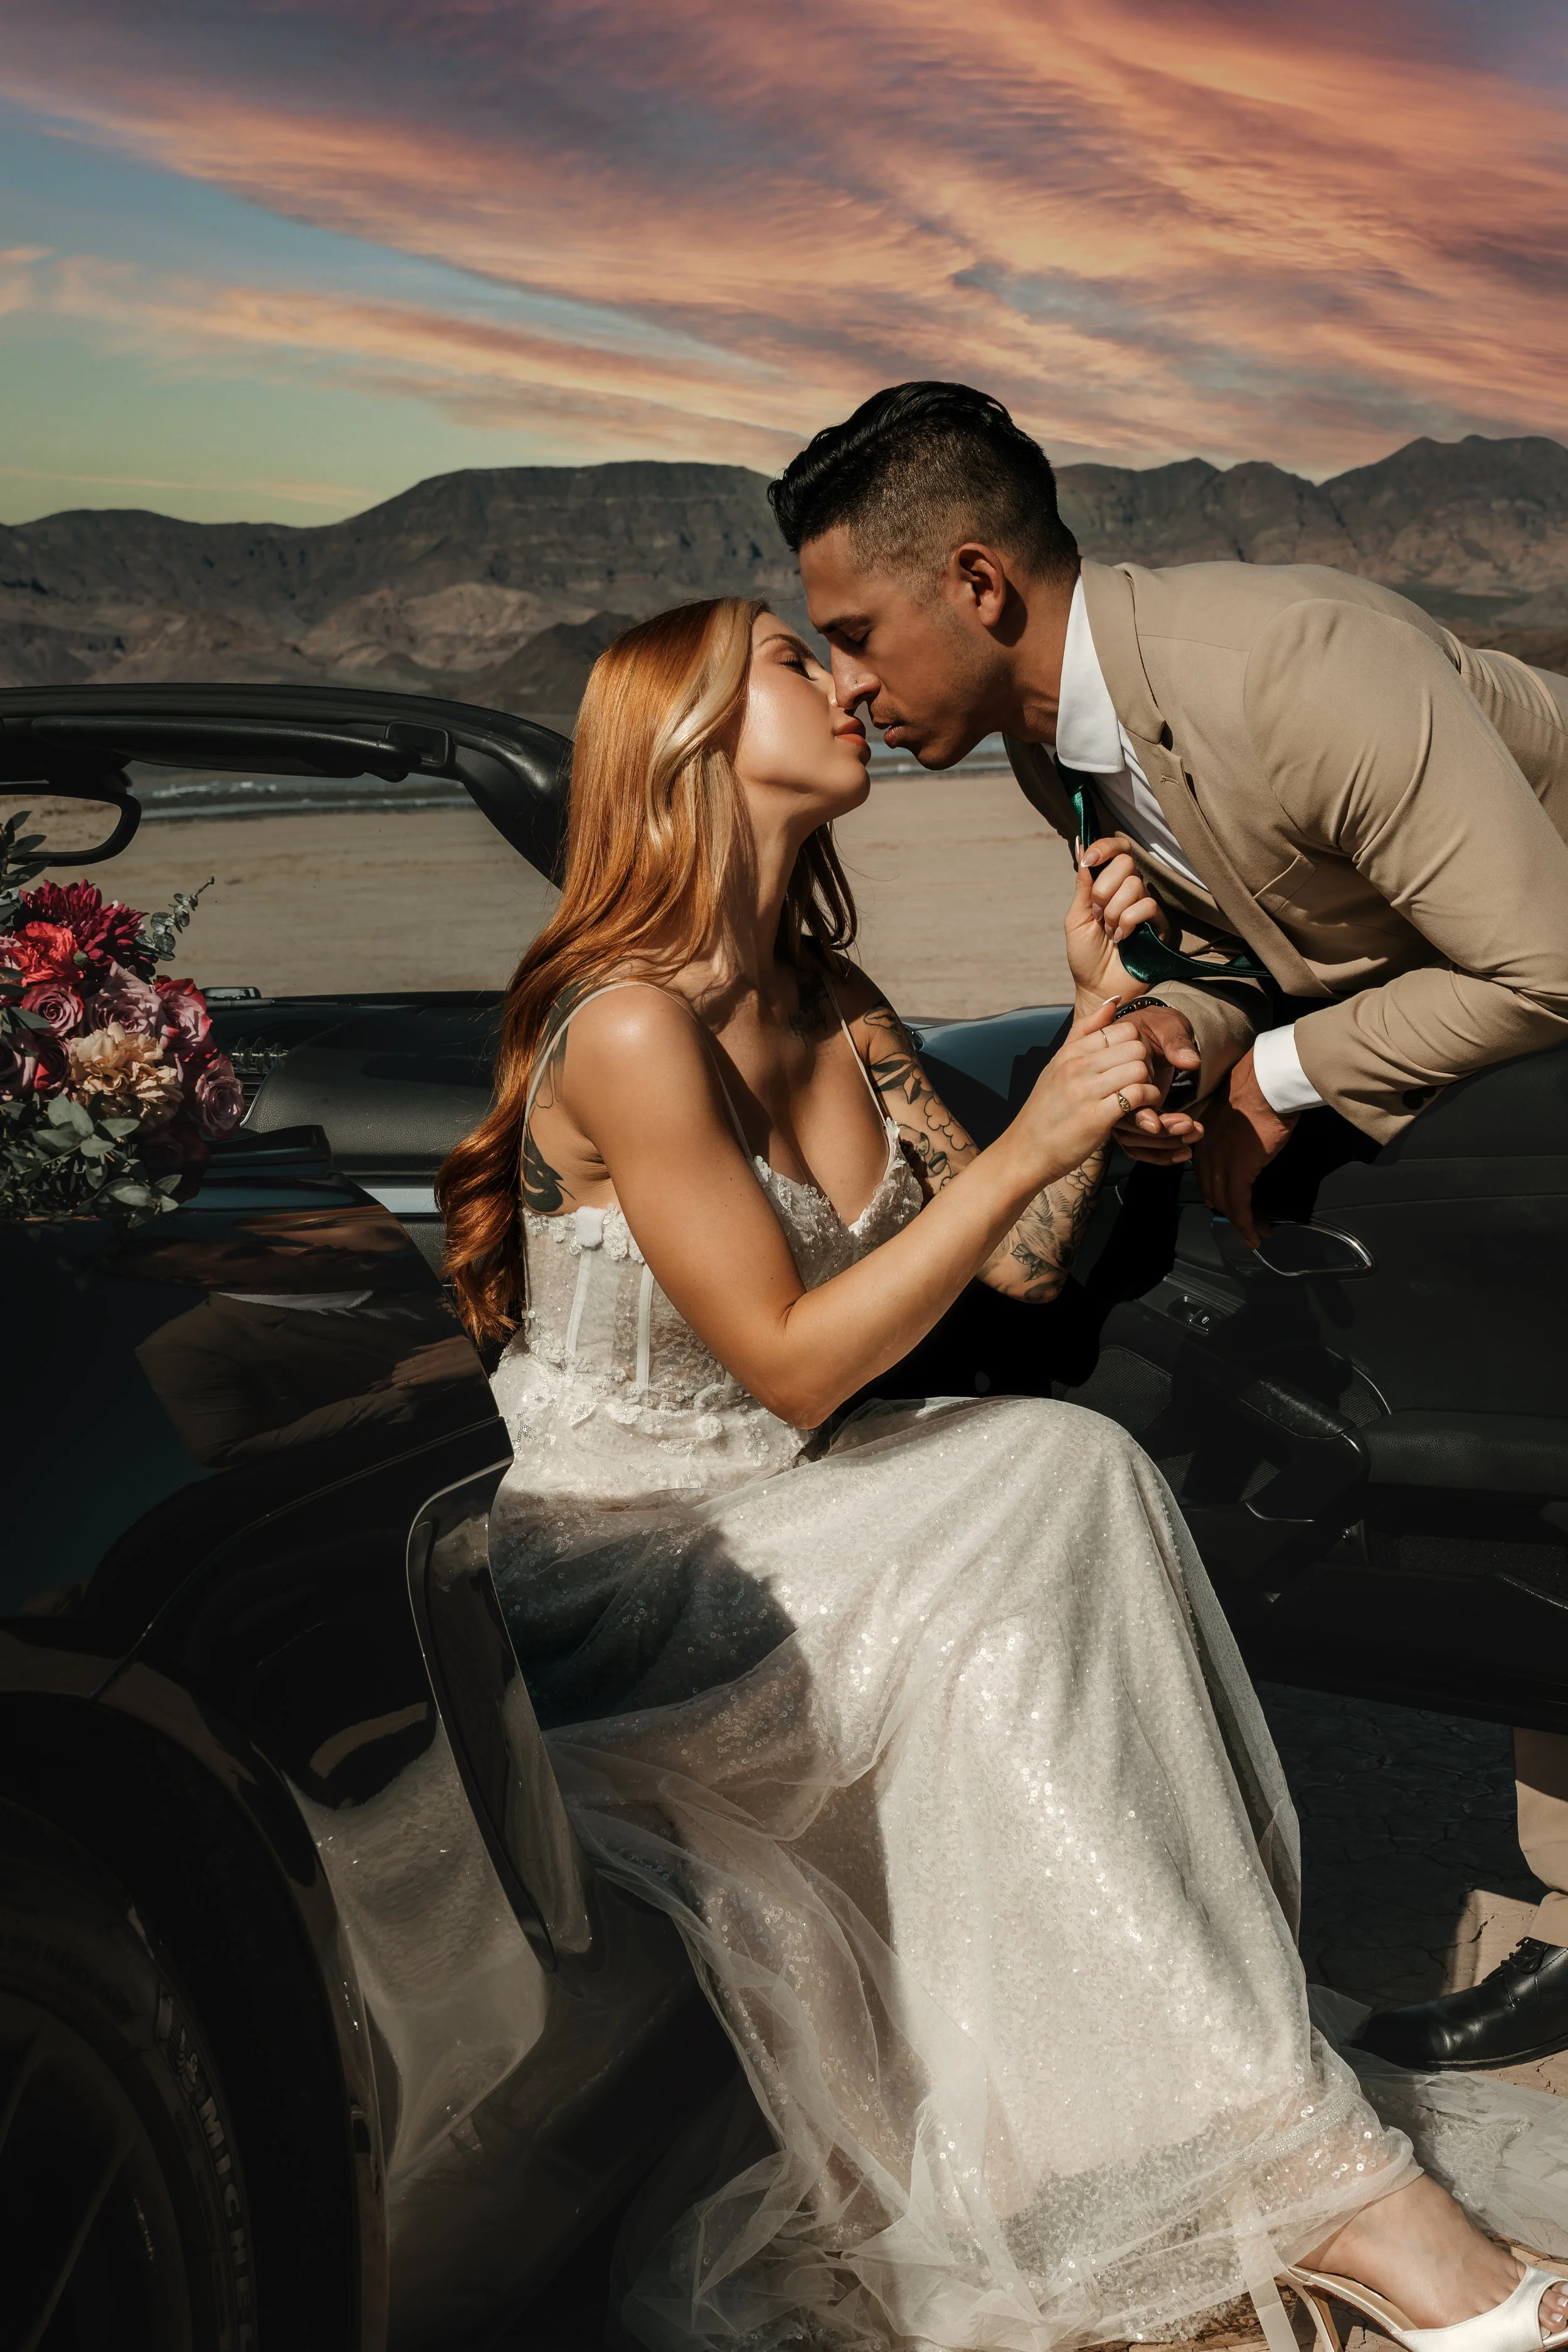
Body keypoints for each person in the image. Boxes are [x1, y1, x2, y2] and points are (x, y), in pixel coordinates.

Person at [437, 596, 1568, 2352]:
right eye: (790, 662)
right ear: (687, 740)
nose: (843, 682)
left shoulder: (830, 996)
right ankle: (1318, 2181)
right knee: (1042, 1470)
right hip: (634, 1554)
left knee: (1072, 1474)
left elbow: (1027, 1260)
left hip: (797, 1500)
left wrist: (1084, 1021)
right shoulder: (628, 1028)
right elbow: (797, 1354)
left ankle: (1177, 2145)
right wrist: (1041, 1122)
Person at [770, 378, 1568, 2082]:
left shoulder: (1291, 666)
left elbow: (1539, 956)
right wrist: (1179, 1037)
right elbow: (1248, 944)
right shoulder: (1044, 750)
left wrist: (1272, 1070)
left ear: (976, 586)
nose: (844, 678)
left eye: (852, 632)